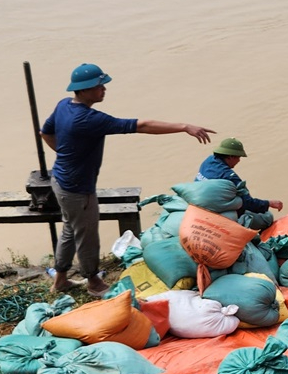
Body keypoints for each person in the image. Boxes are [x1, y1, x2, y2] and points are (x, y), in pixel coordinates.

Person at [41, 63, 214, 296]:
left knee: (70, 230)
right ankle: (94, 283)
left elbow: (45, 132)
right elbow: (140, 125)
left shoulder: (64, 106)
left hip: (60, 181)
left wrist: (65, 154)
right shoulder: (88, 119)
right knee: (87, 236)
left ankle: (60, 280)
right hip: (78, 189)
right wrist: (184, 127)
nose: (104, 89)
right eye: (98, 86)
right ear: (83, 90)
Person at [195, 137, 284, 214]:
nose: (239, 161)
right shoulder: (229, 176)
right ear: (230, 157)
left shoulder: (208, 161)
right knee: (266, 217)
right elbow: (248, 203)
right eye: (238, 157)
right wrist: (269, 203)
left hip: (197, 204)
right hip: (214, 211)